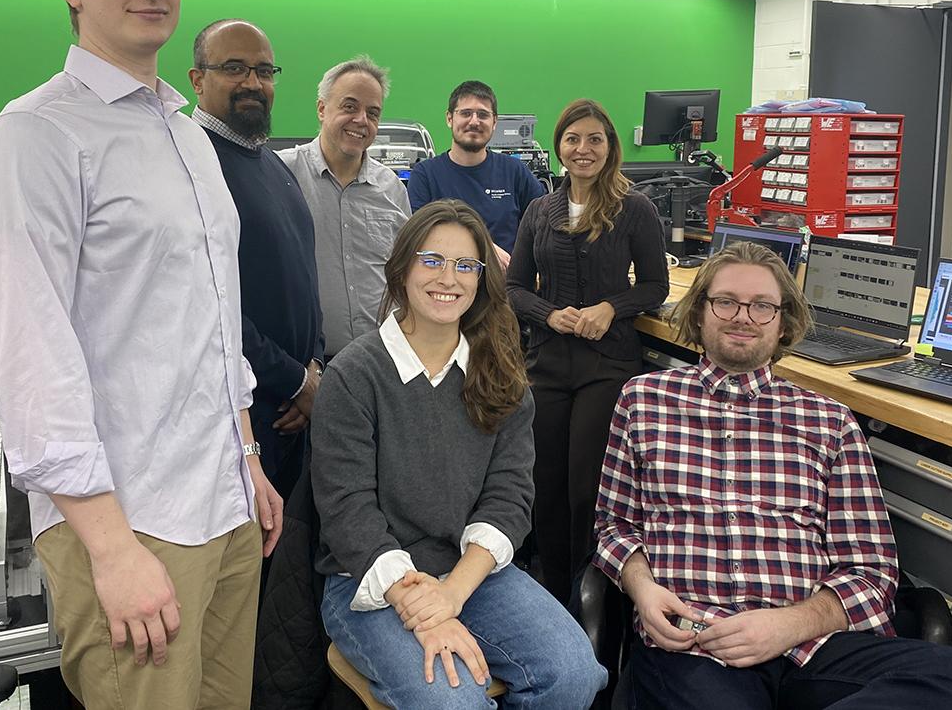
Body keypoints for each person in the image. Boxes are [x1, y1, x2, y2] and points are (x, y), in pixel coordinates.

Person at [0, 0, 282, 709]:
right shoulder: (34, 137)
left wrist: (248, 458)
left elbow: (213, 320)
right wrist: (109, 549)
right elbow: (31, 362)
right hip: (129, 518)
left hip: (222, 499)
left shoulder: (184, 133)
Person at [593, 241, 952, 710]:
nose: (742, 316)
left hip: (814, 645)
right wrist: (644, 590)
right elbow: (614, 527)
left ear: (784, 322)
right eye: (726, 301)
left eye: (763, 306)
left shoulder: (829, 420)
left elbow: (873, 572)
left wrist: (788, 624)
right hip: (699, 643)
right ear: (699, 312)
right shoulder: (644, 400)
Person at [312, 200, 607, 709]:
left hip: (470, 571)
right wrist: (424, 607)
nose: (448, 278)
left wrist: (452, 595)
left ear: (481, 280)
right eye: (432, 260)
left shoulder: (500, 373)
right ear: (402, 268)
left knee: (574, 673)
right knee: (455, 701)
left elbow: (510, 496)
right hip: (372, 582)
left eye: (465, 265)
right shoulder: (353, 375)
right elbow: (347, 510)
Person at [506, 98, 668, 605]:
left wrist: (609, 307)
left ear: (610, 147)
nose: (583, 149)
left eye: (594, 139)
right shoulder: (539, 209)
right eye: (573, 139)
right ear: (559, 147)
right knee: (545, 485)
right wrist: (548, 315)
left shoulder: (634, 208)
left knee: (587, 490)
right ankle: (553, 592)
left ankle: (591, 595)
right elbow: (513, 287)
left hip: (607, 364)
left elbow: (655, 287)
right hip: (548, 364)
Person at [189, 18, 323, 502]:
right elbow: (209, 303)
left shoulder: (271, 163)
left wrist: (313, 370)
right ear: (197, 79)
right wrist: (292, 381)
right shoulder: (192, 163)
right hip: (241, 412)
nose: (253, 83)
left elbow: (305, 278)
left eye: (264, 71)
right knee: (251, 563)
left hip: (294, 404)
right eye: (234, 68)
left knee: (283, 562)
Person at [278, 56, 410, 359]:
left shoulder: (392, 188)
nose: (361, 120)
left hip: (381, 361)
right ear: (322, 109)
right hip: (304, 364)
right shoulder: (282, 174)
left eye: (372, 112)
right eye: (349, 106)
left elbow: (404, 275)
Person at [406, 80, 545, 266]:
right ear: (449, 118)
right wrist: (485, 248)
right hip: (448, 283)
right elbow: (422, 236)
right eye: (465, 113)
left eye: (483, 115)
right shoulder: (425, 175)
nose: (474, 121)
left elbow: (543, 222)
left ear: (494, 122)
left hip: (504, 287)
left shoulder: (514, 171)